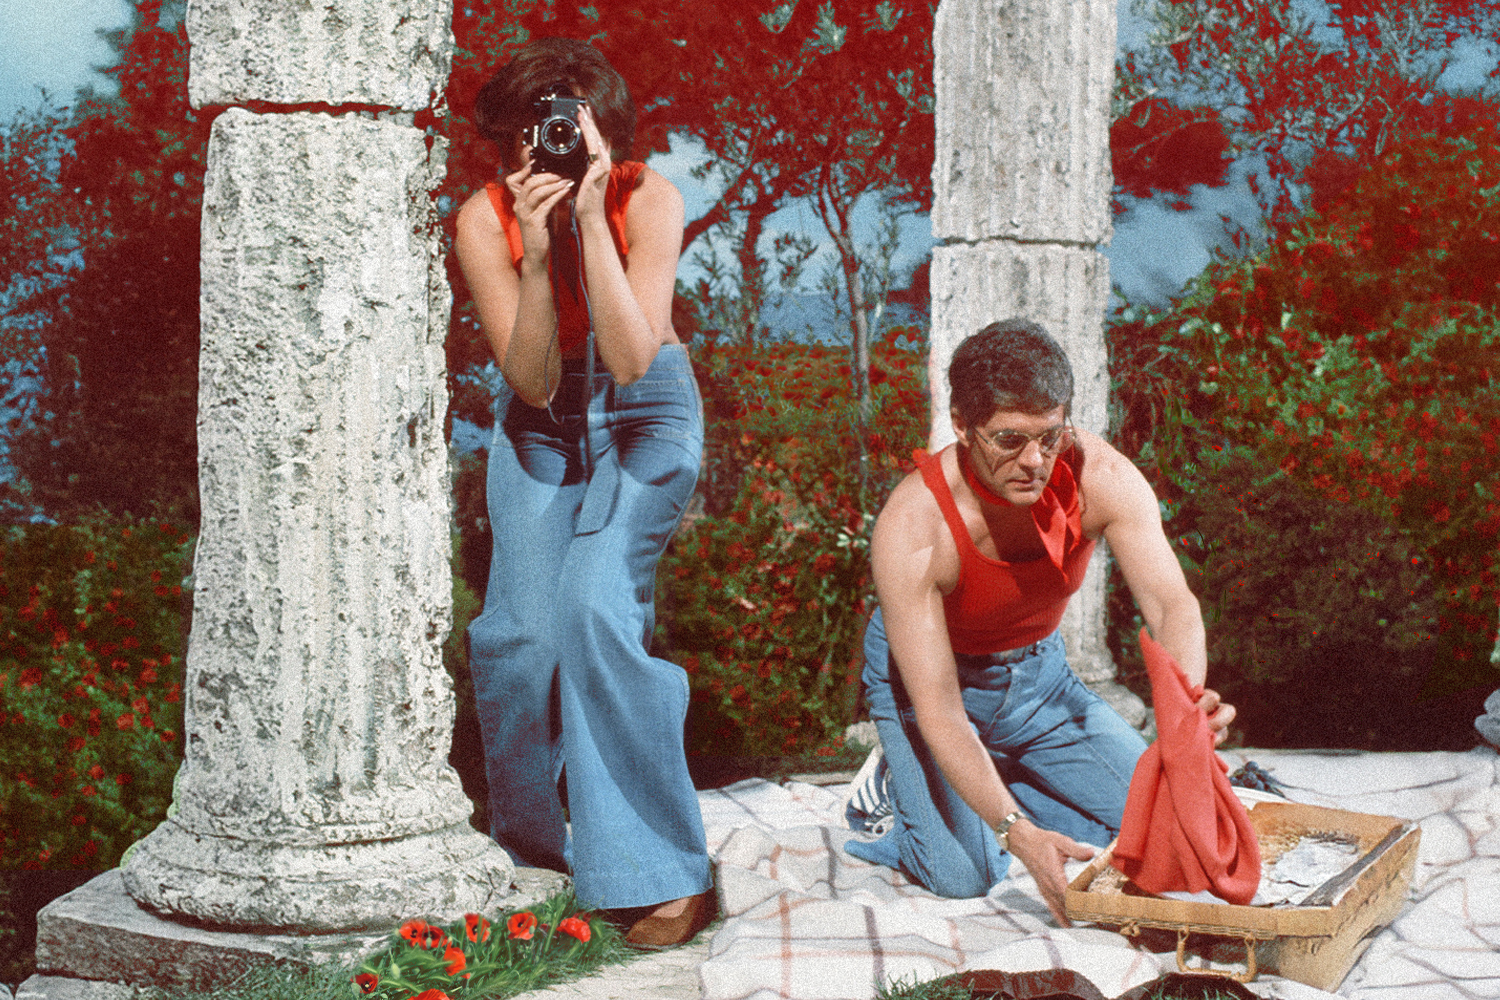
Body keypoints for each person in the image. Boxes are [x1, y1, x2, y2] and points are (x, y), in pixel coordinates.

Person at [454, 38, 714, 948]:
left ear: (600, 132)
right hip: (542, 416)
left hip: (645, 412)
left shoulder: (651, 197)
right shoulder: (484, 220)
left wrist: (595, 221)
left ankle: (661, 866)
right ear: (504, 143)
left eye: (564, 129)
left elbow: (635, 353)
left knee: (597, 608)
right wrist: (535, 256)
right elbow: (528, 382)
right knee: (518, 634)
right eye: (530, 133)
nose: (547, 149)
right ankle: (533, 861)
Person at [845, 319, 1235, 926]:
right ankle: (897, 796)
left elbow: (1171, 606)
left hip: (1041, 682)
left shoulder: (1100, 477)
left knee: (1173, 827)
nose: (1035, 462)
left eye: (1050, 437)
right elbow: (942, 708)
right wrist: (1019, 838)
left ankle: (996, 779)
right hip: (935, 688)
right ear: (961, 424)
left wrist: (1181, 716)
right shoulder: (914, 524)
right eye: (1009, 439)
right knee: (964, 877)